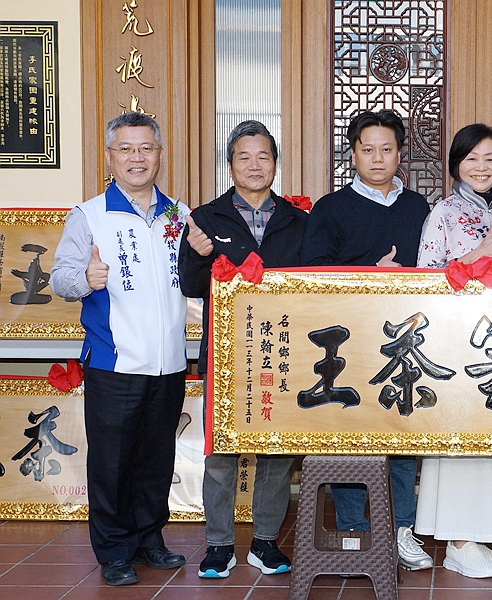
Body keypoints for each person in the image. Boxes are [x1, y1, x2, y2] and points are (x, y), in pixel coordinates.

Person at [49, 112, 189, 586]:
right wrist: (84, 279)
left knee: (156, 458)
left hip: (169, 361)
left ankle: (149, 539)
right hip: (115, 360)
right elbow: (60, 277)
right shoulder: (89, 215)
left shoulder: (179, 215)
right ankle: (113, 551)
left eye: (146, 148)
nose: (137, 157)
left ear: (160, 155)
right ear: (110, 157)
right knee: (111, 463)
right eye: (126, 149)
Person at [300, 109, 434, 571]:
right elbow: (310, 273)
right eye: (367, 149)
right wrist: (369, 273)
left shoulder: (418, 208)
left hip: (405, 344)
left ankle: (402, 531)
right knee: (351, 438)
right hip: (349, 343)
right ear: (353, 155)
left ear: (400, 155)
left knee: (403, 434)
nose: (377, 158)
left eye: (386, 149)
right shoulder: (330, 209)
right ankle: (354, 531)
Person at [179, 120, 307, 578]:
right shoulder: (206, 218)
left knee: (276, 452)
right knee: (222, 454)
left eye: (263, 156)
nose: (254, 165)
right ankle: (219, 545)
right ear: (229, 165)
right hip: (227, 354)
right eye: (244, 157)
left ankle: (266, 542)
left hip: (283, 351)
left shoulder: (298, 220)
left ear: (275, 163)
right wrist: (198, 255)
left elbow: (315, 284)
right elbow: (190, 285)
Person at [414, 123, 492, 579]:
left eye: (491, 159)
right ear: (456, 165)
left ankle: (483, 531)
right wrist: (473, 257)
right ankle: (457, 540)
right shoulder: (443, 212)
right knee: (461, 438)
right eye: (471, 159)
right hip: (459, 343)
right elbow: (423, 279)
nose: (481, 167)